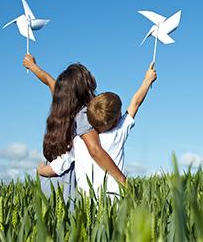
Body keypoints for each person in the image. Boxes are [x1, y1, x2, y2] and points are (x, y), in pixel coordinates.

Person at [36, 62, 157, 197]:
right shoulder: (120, 131)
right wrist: (147, 80)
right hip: (114, 197)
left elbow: (60, 164)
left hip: (87, 200)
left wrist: (41, 170)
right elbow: (136, 102)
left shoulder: (78, 141)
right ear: (116, 120)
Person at [23, 54, 126, 200]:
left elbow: (48, 80)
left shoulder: (61, 102)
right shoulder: (84, 114)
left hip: (48, 175)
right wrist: (122, 180)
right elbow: (94, 149)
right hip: (66, 178)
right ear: (83, 89)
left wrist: (32, 66)